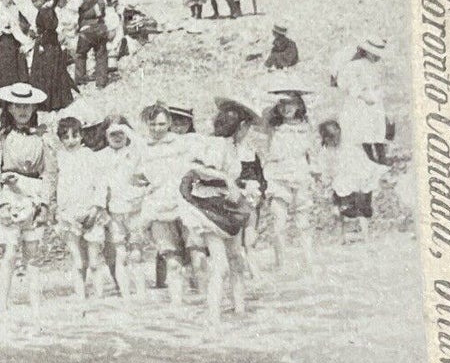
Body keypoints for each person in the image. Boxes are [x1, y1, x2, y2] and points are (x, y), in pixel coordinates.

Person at [181, 99, 259, 326]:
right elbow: (197, 168)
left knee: (237, 260)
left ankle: (239, 310)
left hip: (226, 208)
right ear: (241, 126)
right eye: (247, 128)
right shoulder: (216, 144)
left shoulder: (233, 147)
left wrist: (241, 188)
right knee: (222, 265)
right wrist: (228, 181)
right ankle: (213, 317)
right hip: (209, 209)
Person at [0, 83, 57, 313]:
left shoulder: (43, 136)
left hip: (34, 196)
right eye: (17, 106)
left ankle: (36, 305)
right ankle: (2, 304)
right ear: (8, 108)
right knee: (9, 252)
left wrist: (45, 203)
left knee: (33, 255)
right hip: (10, 196)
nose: (23, 111)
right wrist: (1, 204)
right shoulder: (1, 136)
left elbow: (49, 172)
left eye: (27, 106)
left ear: (34, 107)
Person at [135, 102, 190, 304]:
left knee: (195, 255)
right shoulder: (142, 146)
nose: (157, 129)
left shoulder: (180, 143)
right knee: (172, 259)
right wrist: (145, 183)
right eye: (152, 125)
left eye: (161, 124)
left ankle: (201, 303)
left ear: (169, 123)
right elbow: (133, 174)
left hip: (183, 203)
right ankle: (177, 305)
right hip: (157, 207)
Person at [54, 116, 112, 298]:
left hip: (90, 211)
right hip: (69, 214)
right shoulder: (59, 158)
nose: (70, 141)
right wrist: (60, 211)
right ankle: (81, 296)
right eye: (65, 137)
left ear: (81, 136)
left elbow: (101, 183)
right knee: (78, 261)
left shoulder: (89, 156)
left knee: (94, 260)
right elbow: (57, 185)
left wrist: (96, 208)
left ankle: (99, 295)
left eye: (75, 136)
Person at [262, 91, 317, 271]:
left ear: (299, 105)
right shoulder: (273, 127)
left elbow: (312, 153)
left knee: (304, 222)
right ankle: (281, 263)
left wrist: (315, 173)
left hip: (300, 175)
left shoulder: (307, 127)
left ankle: (309, 262)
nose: (286, 108)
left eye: (291, 103)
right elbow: (261, 115)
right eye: (282, 104)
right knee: (279, 222)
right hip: (277, 176)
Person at [99, 116, 150, 297]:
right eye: (113, 133)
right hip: (115, 211)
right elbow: (100, 185)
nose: (117, 137)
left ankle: (142, 293)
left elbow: (145, 146)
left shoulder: (134, 151)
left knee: (136, 253)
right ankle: (126, 293)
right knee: (120, 253)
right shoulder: (103, 156)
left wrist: (128, 131)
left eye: (121, 133)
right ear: (105, 135)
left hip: (135, 208)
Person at [319, 118, 379, 240]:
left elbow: (362, 164)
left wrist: (364, 181)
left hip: (358, 181)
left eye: (335, 137)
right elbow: (326, 168)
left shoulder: (350, 147)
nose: (334, 141)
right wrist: (327, 180)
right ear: (325, 138)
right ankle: (343, 236)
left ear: (340, 133)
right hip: (341, 184)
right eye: (330, 138)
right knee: (341, 211)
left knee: (361, 210)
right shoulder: (326, 151)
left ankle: (365, 235)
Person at [338, 37, 390, 164]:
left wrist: (378, 94)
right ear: (366, 51)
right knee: (363, 131)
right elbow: (347, 84)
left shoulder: (377, 66)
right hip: (359, 103)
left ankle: (381, 158)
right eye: (374, 54)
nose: (376, 57)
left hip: (374, 101)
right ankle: (369, 159)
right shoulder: (353, 65)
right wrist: (362, 95)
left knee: (377, 131)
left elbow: (380, 82)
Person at [28, 0, 75, 111]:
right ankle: (56, 100)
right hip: (50, 43)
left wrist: (41, 41)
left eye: (36, 0)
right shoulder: (47, 10)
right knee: (53, 71)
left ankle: (48, 102)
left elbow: (49, 29)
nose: (35, 4)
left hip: (47, 45)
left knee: (47, 72)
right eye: (33, 1)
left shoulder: (45, 11)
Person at [74, 0, 110, 90]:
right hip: (100, 28)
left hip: (86, 30)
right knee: (101, 55)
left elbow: (72, 11)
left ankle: (80, 79)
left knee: (80, 54)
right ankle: (101, 82)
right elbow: (103, 13)